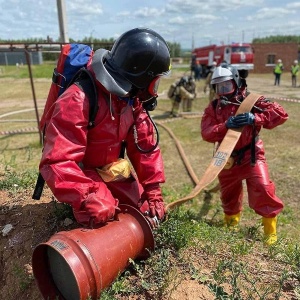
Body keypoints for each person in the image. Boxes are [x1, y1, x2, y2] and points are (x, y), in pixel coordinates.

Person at [38, 28, 171, 228]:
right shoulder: (77, 99)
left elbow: (145, 145)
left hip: (110, 166)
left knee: (144, 210)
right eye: (155, 83)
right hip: (82, 174)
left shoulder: (130, 100)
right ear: (141, 79)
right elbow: (57, 160)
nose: (155, 92)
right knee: (102, 211)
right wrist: (86, 197)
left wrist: (153, 190)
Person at [201, 63, 288, 245]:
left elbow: (280, 114)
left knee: (263, 188)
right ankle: (231, 225)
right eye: (219, 87)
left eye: (226, 85)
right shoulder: (213, 107)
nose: (223, 91)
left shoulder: (251, 100)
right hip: (226, 157)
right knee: (228, 194)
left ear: (236, 82)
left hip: (251, 154)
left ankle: (270, 232)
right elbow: (206, 133)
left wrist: (255, 118)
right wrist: (225, 126)